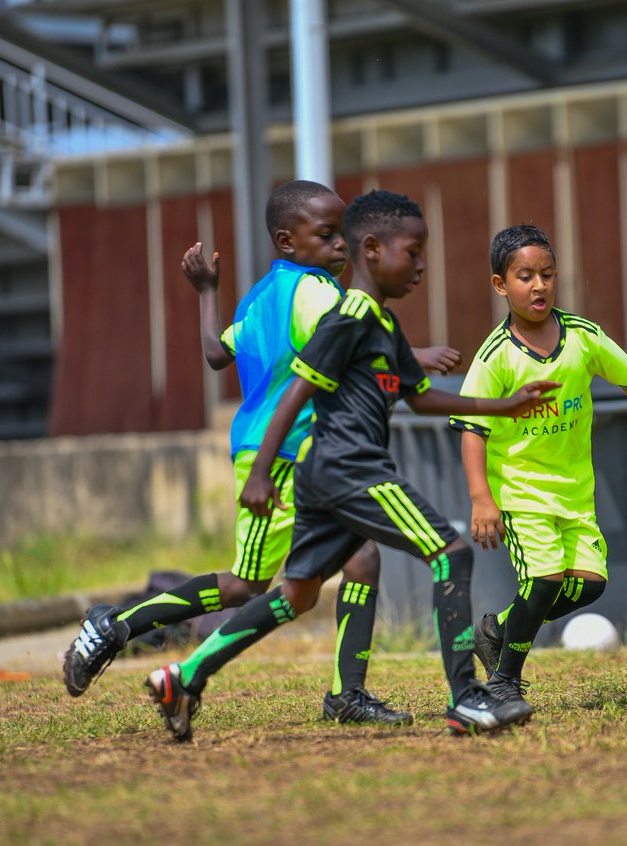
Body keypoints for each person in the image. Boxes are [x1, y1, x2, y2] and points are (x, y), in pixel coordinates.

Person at [144, 189, 559, 741]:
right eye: (412, 253)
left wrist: (504, 405)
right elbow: (295, 391)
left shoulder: (382, 326)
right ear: (372, 249)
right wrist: (263, 470)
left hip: (331, 474)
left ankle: (184, 676)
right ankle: (467, 699)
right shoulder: (349, 316)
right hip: (349, 468)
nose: (421, 265)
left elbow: (422, 397)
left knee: (296, 594)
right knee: (451, 554)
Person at [62, 179, 460, 727]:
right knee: (245, 585)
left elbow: (214, 352)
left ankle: (348, 694)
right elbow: (348, 339)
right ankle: (116, 626)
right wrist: (416, 354)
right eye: (327, 235)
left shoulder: (259, 296)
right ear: (287, 240)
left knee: (362, 559)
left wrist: (207, 292)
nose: (340, 245)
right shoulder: (320, 293)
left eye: (343, 234)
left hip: (288, 453)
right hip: (279, 454)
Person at [448, 223, 627, 717]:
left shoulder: (583, 337)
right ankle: (503, 683)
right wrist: (481, 498)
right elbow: (470, 428)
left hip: (576, 493)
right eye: (524, 276)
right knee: (543, 579)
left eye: (547, 274)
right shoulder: (495, 357)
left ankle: (497, 632)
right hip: (520, 493)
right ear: (501, 285)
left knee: (590, 585)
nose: (538, 286)